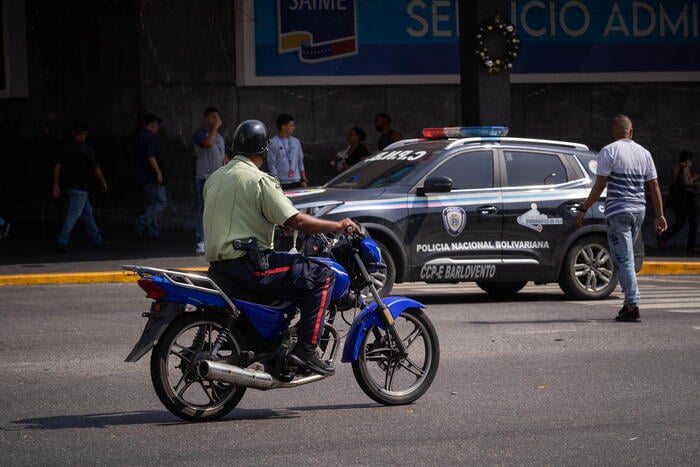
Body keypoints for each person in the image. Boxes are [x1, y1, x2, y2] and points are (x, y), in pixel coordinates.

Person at [203, 119, 358, 375]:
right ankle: (306, 351)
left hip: (220, 267)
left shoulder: (215, 178)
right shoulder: (259, 180)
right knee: (322, 277)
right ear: (265, 150)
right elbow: (296, 220)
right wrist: (337, 225)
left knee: (291, 267)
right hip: (249, 267)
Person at [576, 115, 667, 323]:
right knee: (624, 257)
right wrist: (660, 215)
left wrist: (584, 208)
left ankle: (632, 304)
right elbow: (653, 186)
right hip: (639, 211)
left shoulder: (609, 151)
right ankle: (629, 304)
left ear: (613, 131)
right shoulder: (644, 153)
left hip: (618, 212)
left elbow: (600, 184)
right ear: (631, 131)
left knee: (624, 259)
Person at [52, 123, 108, 252]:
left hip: (69, 186)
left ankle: (97, 240)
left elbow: (57, 166)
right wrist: (103, 181)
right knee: (73, 214)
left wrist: (56, 184)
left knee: (87, 213)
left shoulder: (66, 148)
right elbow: (96, 168)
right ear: (85, 135)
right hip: (81, 187)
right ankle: (62, 242)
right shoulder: (87, 149)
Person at [193, 107, 226, 254]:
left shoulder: (219, 137)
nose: (216, 120)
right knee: (203, 209)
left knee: (218, 210)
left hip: (218, 178)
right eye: (213, 117)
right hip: (204, 178)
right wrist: (216, 128)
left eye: (217, 117)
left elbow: (224, 157)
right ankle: (201, 239)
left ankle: (216, 239)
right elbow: (208, 143)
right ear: (205, 118)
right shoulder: (200, 133)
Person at [658, 150, 699, 255]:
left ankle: (663, 237)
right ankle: (691, 247)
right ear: (687, 160)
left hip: (679, 202)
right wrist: (695, 177)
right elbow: (687, 182)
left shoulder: (675, 169)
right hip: (688, 200)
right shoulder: (685, 169)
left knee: (680, 223)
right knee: (693, 224)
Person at [134, 113, 167, 241]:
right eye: (156, 124)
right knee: (161, 201)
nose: (157, 127)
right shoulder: (149, 138)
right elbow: (151, 156)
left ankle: (153, 232)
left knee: (151, 203)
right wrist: (158, 172)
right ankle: (141, 222)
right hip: (150, 176)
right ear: (152, 125)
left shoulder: (140, 137)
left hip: (142, 176)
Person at [266, 113, 307, 190]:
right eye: (291, 125)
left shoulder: (296, 141)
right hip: (281, 182)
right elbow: (272, 164)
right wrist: (276, 182)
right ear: (283, 127)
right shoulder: (273, 142)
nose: (293, 128)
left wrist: (303, 179)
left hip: (296, 181)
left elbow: (300, 162)